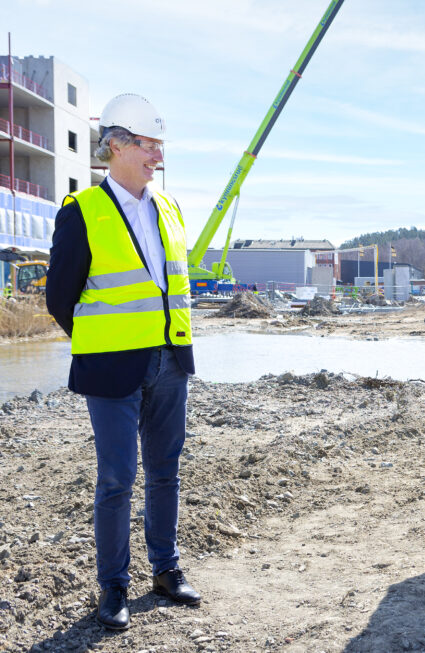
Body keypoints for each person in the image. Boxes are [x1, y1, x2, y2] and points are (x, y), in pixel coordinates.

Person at [46, 94, 201, 631]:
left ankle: (166, 569)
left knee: (165, 471)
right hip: (111, 367)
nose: (157, 154)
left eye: (160, 144)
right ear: (116, 145)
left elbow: (173, 287)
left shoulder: (171, 208)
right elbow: (59, 298)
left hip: (170, 361)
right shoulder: (82, 212)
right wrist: (101, 338)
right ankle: (112, 586)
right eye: (148, 143)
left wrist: (168, 347)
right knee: (116, 477)